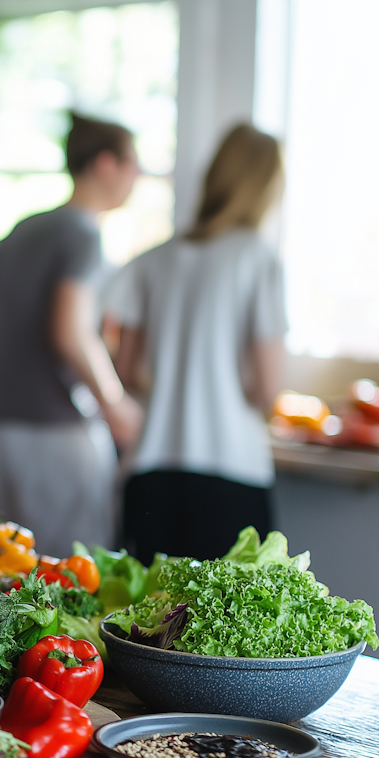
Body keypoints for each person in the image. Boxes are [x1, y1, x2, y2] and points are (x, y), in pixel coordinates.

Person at [107, 124, 286, 563]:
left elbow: (126, 372)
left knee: (146, 626)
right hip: (231, 469)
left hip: (151, 469)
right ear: (264, 188)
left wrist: (174, 383)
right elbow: (268, 388)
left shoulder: (153, 259)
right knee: (226, 627)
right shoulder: (257, 257)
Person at [0, 113, 143, 555]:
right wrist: (115, 402)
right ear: (105, 165)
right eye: (132, 165)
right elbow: (69, 330)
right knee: (67, 578)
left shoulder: (24, 227)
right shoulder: (84, 234)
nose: (137, 177)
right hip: (57, 436)